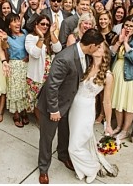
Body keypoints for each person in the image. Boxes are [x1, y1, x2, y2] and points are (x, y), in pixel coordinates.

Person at [37, 29, 104, 184]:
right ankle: (43, 169)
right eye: (98, 46)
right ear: (92, 45)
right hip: (52, 104)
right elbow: (52, 86)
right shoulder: (64, 58)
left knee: (65, 133)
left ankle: (63, 155)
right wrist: (54, 109)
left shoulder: (86, 56)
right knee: (47, 138)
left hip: (69, 103)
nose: (99, 49)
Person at [68, 43, 118, 183]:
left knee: (74, 147)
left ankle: (92, 167)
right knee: (79, 142)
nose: (97, 48)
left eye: (100, 47)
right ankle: (82, 170)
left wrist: (108, 123)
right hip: (74, 107)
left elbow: (107, 101)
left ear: (105, 53)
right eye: (95, 46)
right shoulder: (85, 65)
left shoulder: (108, 75)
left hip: (86, 109)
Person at [110, 15, 133, 142]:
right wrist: (119, 41)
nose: (128, 28)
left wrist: (126, 43)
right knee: (118, 103)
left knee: (128, 104)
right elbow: (111, 54)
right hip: (118, 74)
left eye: (131, 26)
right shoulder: (118, 37)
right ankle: (119, 126)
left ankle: (125, 130)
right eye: (126, 25)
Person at [25, 15, 62, 126]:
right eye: (43, 24)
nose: (45, 26)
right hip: (37, 75)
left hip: (50, 74)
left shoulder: (50, 37)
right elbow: (35, 54)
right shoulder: (30, 38)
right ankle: (40, 121)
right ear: (36, 24)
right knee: (37, 101)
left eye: (47, 24)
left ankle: (46, 120)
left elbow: (58, 48)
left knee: (48, 99)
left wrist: (51, 33)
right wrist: (41, 37)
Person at [5, 13, 30, 128]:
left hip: (26, 65)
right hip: (14, 65)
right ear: (9, 25)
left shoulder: (25, 33)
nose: (17, 24)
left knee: (24, 89)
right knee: (15, 90)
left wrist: (29, 56)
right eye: (14, 21)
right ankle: (16, 114)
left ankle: (24, 110)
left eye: (18, 21)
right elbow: (4, 53)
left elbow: (30, 47)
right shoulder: (7, 37)